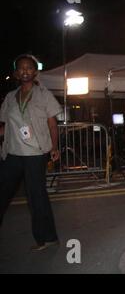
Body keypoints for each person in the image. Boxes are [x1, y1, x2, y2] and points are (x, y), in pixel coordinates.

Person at [0, 54, 61, 250]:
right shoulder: (10, 97)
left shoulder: (44, 94)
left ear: (35, 72)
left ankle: (45, 238)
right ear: (16, 73)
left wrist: (54, 147)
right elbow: (6, 126)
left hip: (35, 153)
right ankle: (49, 236)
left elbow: (52, 125)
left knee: (36, 197)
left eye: (29, 68)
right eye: (21, 68)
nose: (25, 71)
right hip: (12, 152)